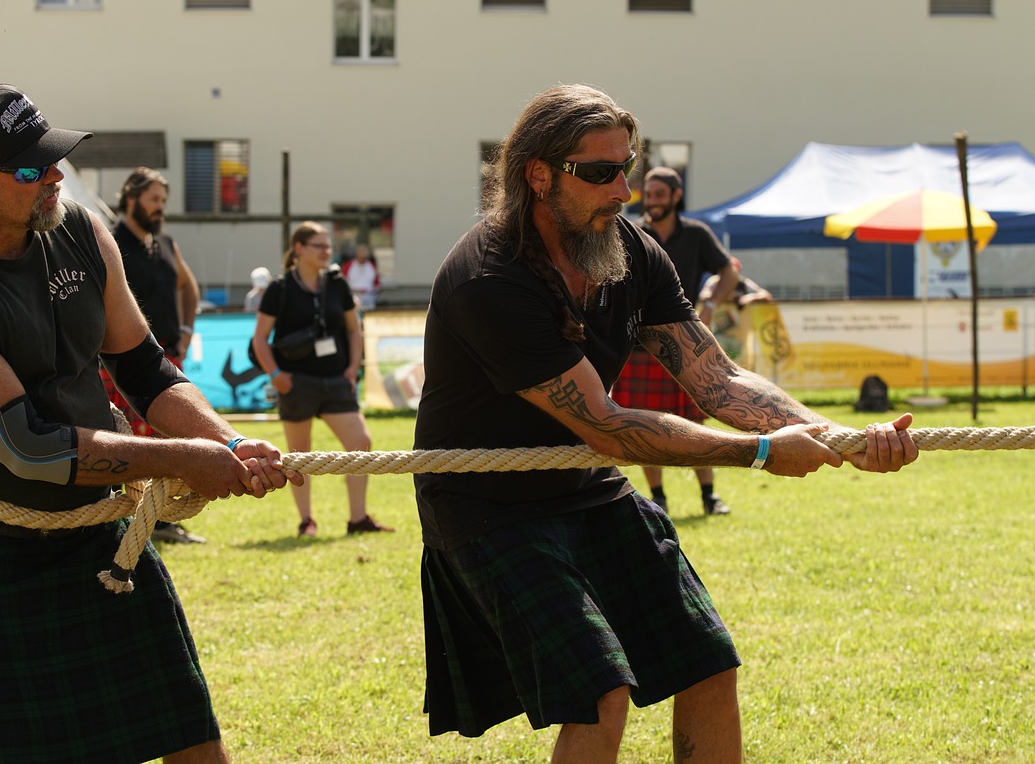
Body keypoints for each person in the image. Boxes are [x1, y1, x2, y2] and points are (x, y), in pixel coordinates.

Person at [413, 84, 917, 761]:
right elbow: (608, 425)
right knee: (601, 690)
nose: (623, 189)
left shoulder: (626, 251)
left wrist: (841, 439)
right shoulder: (491, 279)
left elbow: (719, 378)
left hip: (585, 487)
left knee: (707, 662)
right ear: (538, 176)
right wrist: (761, 452)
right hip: (487, 503)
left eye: (626, 167)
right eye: (599, 173)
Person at [0, 82, 296, 762]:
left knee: (193, 740)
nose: (54, 176)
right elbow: (29, 449)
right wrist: (183, 460)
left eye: (53, 157)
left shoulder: (77, 230)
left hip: (96, 534)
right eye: (29, 168)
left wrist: (223, 439)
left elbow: (145, 368)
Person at [610, 165, 740, 516]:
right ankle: (658, 496)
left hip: (683, 341)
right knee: (643, 421)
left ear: (676, 196)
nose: (651, 202)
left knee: (693, 420)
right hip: (638, 346)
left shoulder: (696, 234)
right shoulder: (634, 235)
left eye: (658, 195)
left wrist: (710, 302)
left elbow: (729, 269)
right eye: (648, 195)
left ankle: (709, 495)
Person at [251, 221, 393, 537]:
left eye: (328, 245)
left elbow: (354, 329)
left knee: (360, 442)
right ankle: (307, 521)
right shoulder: (280, 288)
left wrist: (353, 367)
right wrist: (276, 375)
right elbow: (260, 338)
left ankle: (358, 519)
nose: (326, 251)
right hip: (296, 382)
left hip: (335, 381)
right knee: (299, 455)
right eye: (319, 245)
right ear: (299, 249)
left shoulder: (337, 284)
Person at [103, 166, 207, 545]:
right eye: (154, 199)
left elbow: (189, 287)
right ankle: (129, 519)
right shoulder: (109, 242)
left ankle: (160, 519)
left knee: (165, 439)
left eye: (164, 200)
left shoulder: (165, 244)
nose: (161, 208)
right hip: (122, 363)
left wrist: (186, 330)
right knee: (128, 440)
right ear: (131, 198)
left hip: (163, 359)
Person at [341, 243, 381, 310]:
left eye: (365, 253)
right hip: (352, 300)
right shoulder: (348, 265)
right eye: (361, 252)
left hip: (369, 301)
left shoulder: (371, 266)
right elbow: (342, 282)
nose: (363, 255)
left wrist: (375, 292)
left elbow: (377, 283)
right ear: (357, 254)